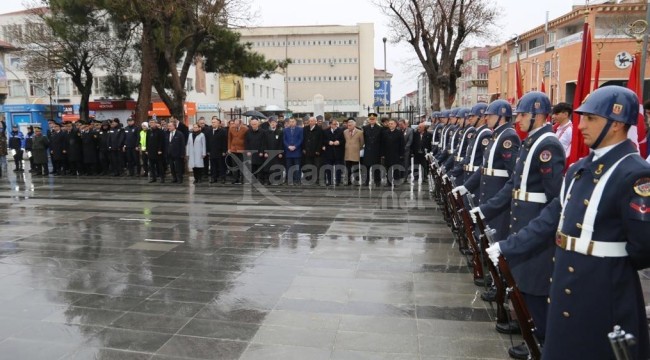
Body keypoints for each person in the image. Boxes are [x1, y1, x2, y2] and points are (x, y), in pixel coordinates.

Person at [486, 85, 650, 360]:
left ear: (617, 124)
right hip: (566, 281)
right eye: (581, 117)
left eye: (591, 118)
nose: (581, 125)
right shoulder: (579, 169)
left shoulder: (635, 174)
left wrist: (605, 265)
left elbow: (643, 247)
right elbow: (551, 218)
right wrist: (508, 246)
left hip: (603, 288)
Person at [472, 92, 565, 359]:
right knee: (523, 280)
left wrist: (538, 228)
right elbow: (514, 184)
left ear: (537, 115)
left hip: (535, 222)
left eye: (523, 114)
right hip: (522, 218)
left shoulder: (548, 145)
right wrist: (485, 209)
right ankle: (532, 330)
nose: (519, 119)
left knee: (535, 285)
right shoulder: (532, 141)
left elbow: (555, 197)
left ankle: (545, 341)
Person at [453, 99, 521, 241]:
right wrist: (466, 187)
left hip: (497, 196)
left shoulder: (508, 136)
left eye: (490, 115)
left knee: (493, 238)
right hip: (489, 194)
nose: (486, 118)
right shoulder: (497, 135)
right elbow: (485, 167)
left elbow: (514, 175)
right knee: (484, 237)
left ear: (501, 116)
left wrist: (498, 201)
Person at [381, 119, 405, 186]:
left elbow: (402, 144)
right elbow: (382, 144)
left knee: (396, 168)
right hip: (387, 153)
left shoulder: (399, 133)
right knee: (388, 168)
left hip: (396, 153)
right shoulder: (385, 132)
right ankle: (389, 182)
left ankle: (396, 181)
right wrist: (382, 154)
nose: (390, 125)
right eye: (389, 123)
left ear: (395, 124)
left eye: (392, 123)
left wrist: (401, 154)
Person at [322, 119, 345, 186]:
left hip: (338, 152)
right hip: (329, 152)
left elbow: (343, 140)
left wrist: (339, 142)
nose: (335, 125)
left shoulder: (341, 131)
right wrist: (328, 142)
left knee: (338, 168)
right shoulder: (325, 131)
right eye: (334, 124)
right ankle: (329, 181)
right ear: (330, 124)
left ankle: (338, 181)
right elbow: (323, 140)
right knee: (328, 168)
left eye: (336, 124)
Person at [362, 113, 383, 185]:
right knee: (366, 166)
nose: (371, 120)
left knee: (376, 166)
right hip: (368, 150)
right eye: (370, 119)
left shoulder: (380, 128)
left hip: (376, 150)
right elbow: (363, 139)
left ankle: (377, 181)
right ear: (368, 119)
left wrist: (381, 152)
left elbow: (381, 140)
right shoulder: (365, 128)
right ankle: (366, 181)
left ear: (376, 119)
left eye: (373, 119)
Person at [244, 119, 266, 183]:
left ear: (258, 124)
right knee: (252, 166)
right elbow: (246, 142)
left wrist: (262, 151)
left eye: (255, 124)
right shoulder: (248, 132)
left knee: (260, 166)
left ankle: (261, 180)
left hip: (259, 152)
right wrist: (247, 151)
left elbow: (263, 143)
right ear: (250, 124)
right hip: (251, 152)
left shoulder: (262, 132)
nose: (254, 125)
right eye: (252, 124)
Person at [206, 118, 228, 184]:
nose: (213, 123)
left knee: (221, 166)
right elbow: (207, 142)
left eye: (214, 122)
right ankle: (214, 178)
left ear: (218, 123)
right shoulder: (209, 131)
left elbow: (224, 142)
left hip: (220, 152)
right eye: (212, 122)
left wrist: (224, 151)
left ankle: (223, 178)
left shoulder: (222, 131)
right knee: (213, 166)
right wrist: (208, 150)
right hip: (212, 152)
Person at [302, 116, 323, 185]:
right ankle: (308, 178)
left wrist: (318, 150)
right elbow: (303, 139)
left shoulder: (319, 129)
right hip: (307, 151)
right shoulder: (305, 129)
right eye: (309, 121)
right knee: (308, 165)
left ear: (315, 122)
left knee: (316, 166)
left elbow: (320, 141)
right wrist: (304, 148)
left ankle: (316, 179)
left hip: (316, 152)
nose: (310, 122)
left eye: (312, 121)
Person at [264, 116, 284, 185]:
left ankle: (277, 180)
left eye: (274, 122)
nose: (273, 124)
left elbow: (281, 143)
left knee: (277, 167)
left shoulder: (280, 132)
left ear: (276, 123)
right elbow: (264, 143)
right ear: (269, 123)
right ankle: (269, 180)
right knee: (268, 167)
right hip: (269, 153)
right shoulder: (266, 132)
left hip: (277, 153)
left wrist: (280, 152)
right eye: (271, 122)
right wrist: (265, 152)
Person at [227, 118, 248, 184]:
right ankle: (235, 179)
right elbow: (229, 138)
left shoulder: (245, 129)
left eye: (237, 124)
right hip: (233, 149)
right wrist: (229, 148)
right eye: (234, 124)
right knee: (234, 165)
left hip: (242, 149)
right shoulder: (231, 128)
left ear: (240, 123)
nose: (235, 125)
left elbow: (247, 139)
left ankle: (242, 179)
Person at [344, 119, 364, 185]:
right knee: (348, 168)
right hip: (347, 152)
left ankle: (356, 181)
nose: (348, 126)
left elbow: (362, 142)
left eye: (350, 125)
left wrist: (357, 148)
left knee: (356, 168)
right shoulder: (345, 132)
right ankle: (348, 181)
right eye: (348, 125)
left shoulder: (360, 132)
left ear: (354, 125)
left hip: (355, 152)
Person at [283, 118, 303, 185]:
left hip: (297, 151)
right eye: (290, 122)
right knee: (289, 167)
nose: (292, 123)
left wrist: (295, 146)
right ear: (288, 122)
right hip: (288, 151)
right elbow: (284, 140)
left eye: (293, 121)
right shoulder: (285, 130)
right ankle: (290, 180)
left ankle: (297, 180)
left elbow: (301, 139)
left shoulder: (300, 129)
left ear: (296, 122)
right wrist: (288, 146)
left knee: (297, 167)